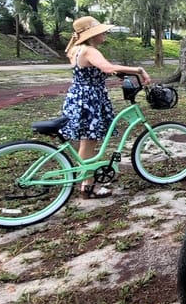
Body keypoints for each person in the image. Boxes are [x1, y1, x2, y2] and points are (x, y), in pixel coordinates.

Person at [62, 16, 152, 199]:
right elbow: (107, 68)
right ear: (91, 34)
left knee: (86, 142)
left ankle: (87, 183)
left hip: (79, 96)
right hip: (90, 99)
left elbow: (93, 71)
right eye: (101, 31)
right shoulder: (89, 50)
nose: (104, 33)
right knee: (89, 142)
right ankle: (87, 186)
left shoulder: (76, 49)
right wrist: (138, 70)